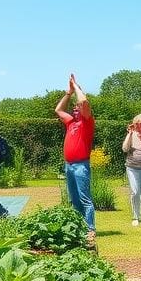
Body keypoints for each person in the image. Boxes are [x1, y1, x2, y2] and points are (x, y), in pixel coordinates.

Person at [55, 73, 96, 244]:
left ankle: (90, 230)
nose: (75, 109)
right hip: (69, 166)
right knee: (75, 200)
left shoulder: (87, 123)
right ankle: (80, 228)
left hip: (80, 166)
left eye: (77, 108)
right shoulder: (71, 122)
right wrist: (68, 92)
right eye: (74, 108)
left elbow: (84, 103)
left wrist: (77, 88)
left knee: (85, 199)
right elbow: (58, 110)